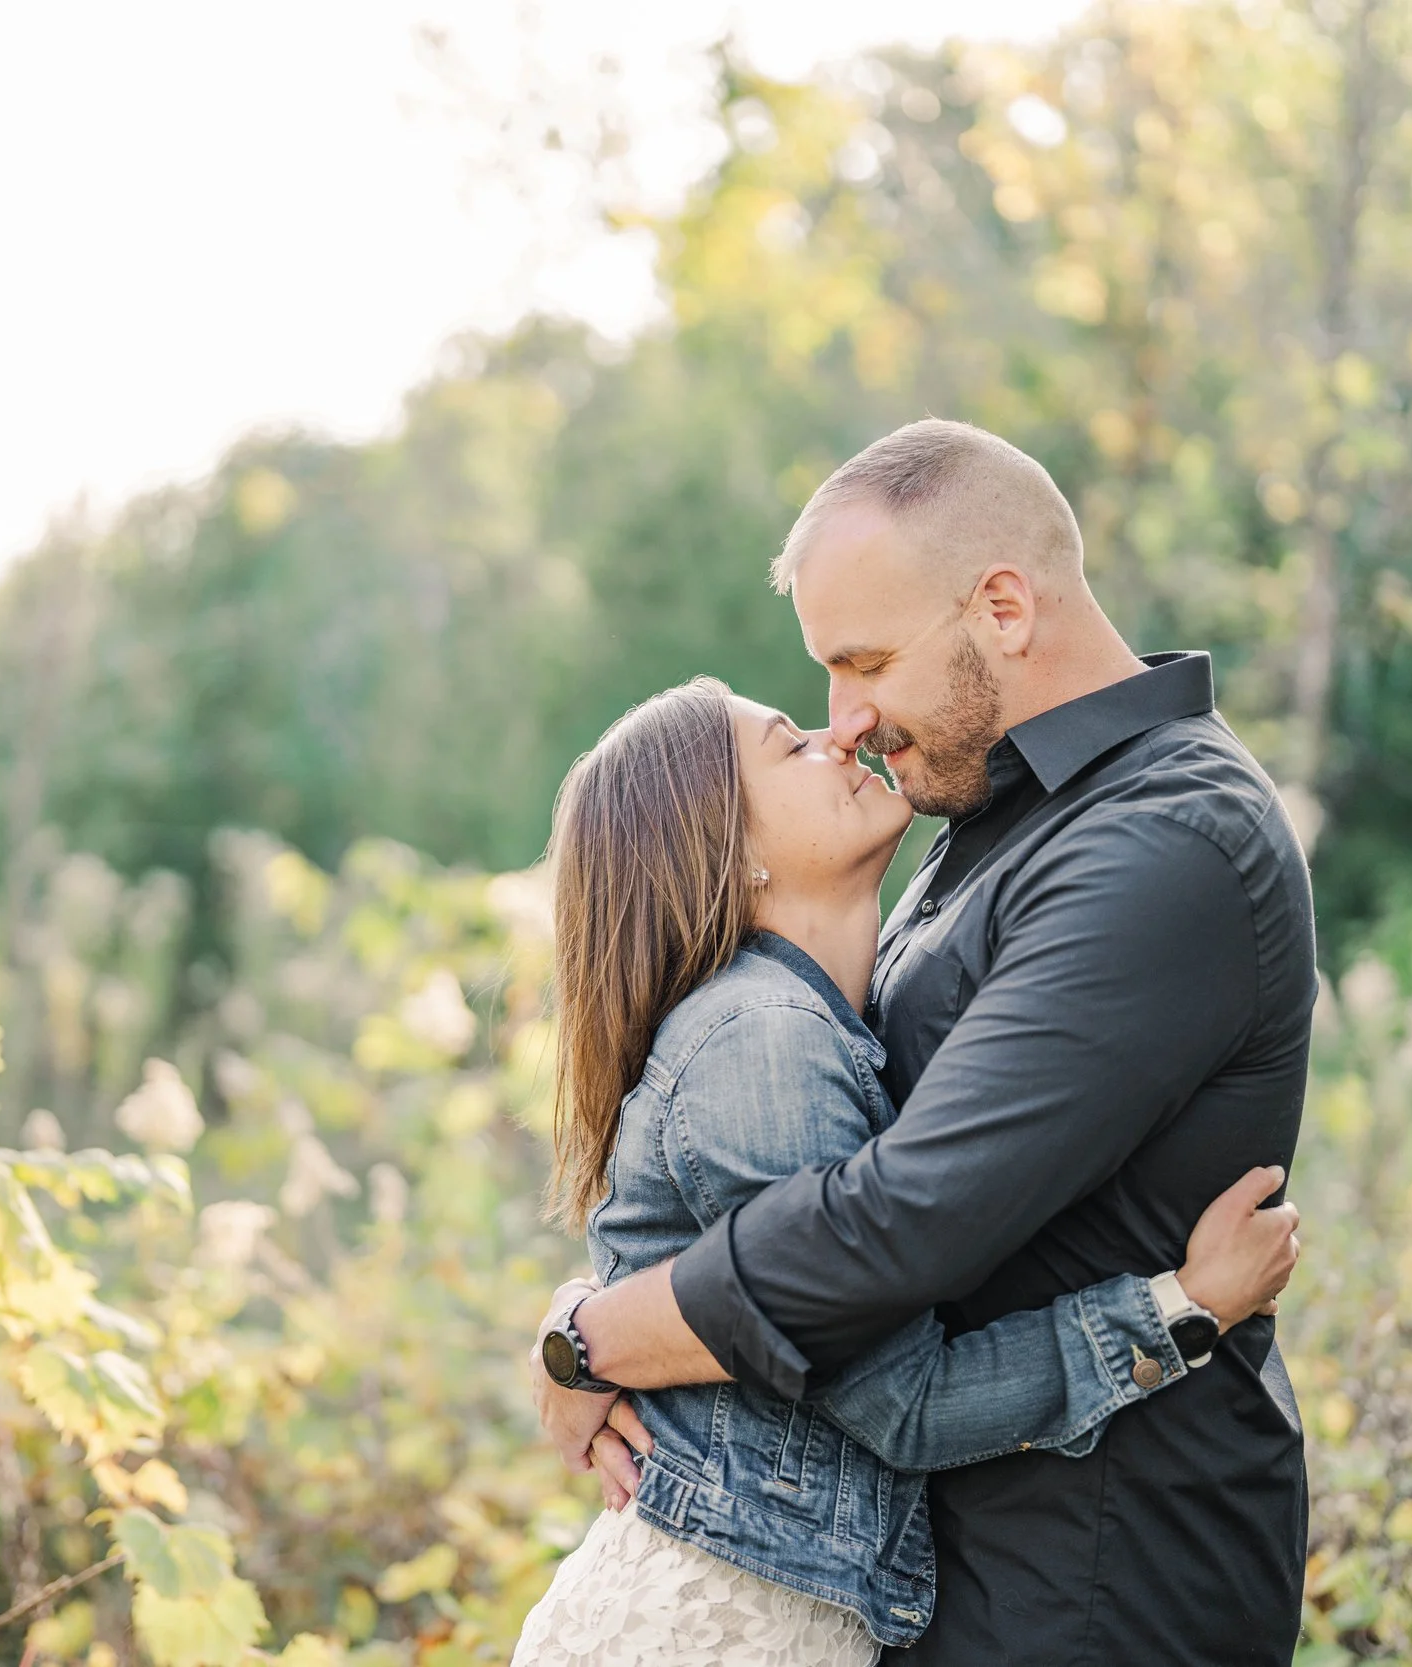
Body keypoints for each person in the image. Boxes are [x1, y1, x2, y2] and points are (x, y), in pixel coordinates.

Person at [532, 420, 1319, 1665]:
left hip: (1096, 1582)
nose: (846, 721)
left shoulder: (1164, 842)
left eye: (867, 662)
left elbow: (900, 1217)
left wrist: (600, 1334)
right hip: (955, 1571)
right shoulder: (991, 816)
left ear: (1002, 605)